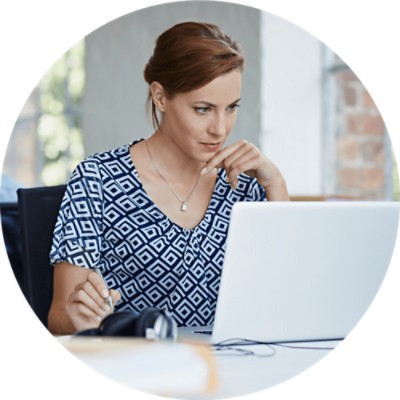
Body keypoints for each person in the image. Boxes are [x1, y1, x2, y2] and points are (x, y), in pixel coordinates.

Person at [48, 21, 289, 335]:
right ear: (160, 97)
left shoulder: (245, 185)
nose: (220, 128)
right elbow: (60, 319)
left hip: (232, 368)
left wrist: (277, 185)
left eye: (231, 108)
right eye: (203, 109)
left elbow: (284, 303)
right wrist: (84, 318)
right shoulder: (98, 180)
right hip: (135, 371)